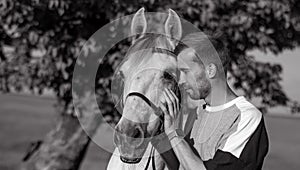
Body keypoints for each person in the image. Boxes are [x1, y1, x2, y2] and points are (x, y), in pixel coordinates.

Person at [155, 32, 269, 170]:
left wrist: (173, 133)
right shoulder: (196, 113)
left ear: (210, 70)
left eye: (186, 71)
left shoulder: (246, 118)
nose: (181, 81)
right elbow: (181, 165)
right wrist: (159, 129)